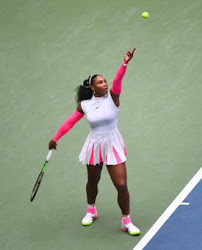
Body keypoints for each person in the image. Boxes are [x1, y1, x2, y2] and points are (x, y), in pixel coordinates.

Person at [48, 47, 140, 236]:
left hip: (112, 143)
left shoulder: (113, 97)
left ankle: (126, 221)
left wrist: (125, 63)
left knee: (121, 185)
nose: (105, 84)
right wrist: (55, 138)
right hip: (94, 145)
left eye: (104, 81)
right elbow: (70, 122)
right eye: (100, 82)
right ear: (92, 87)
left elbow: (117, 80)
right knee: (93, 180)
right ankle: (91, 210)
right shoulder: (85, 105)